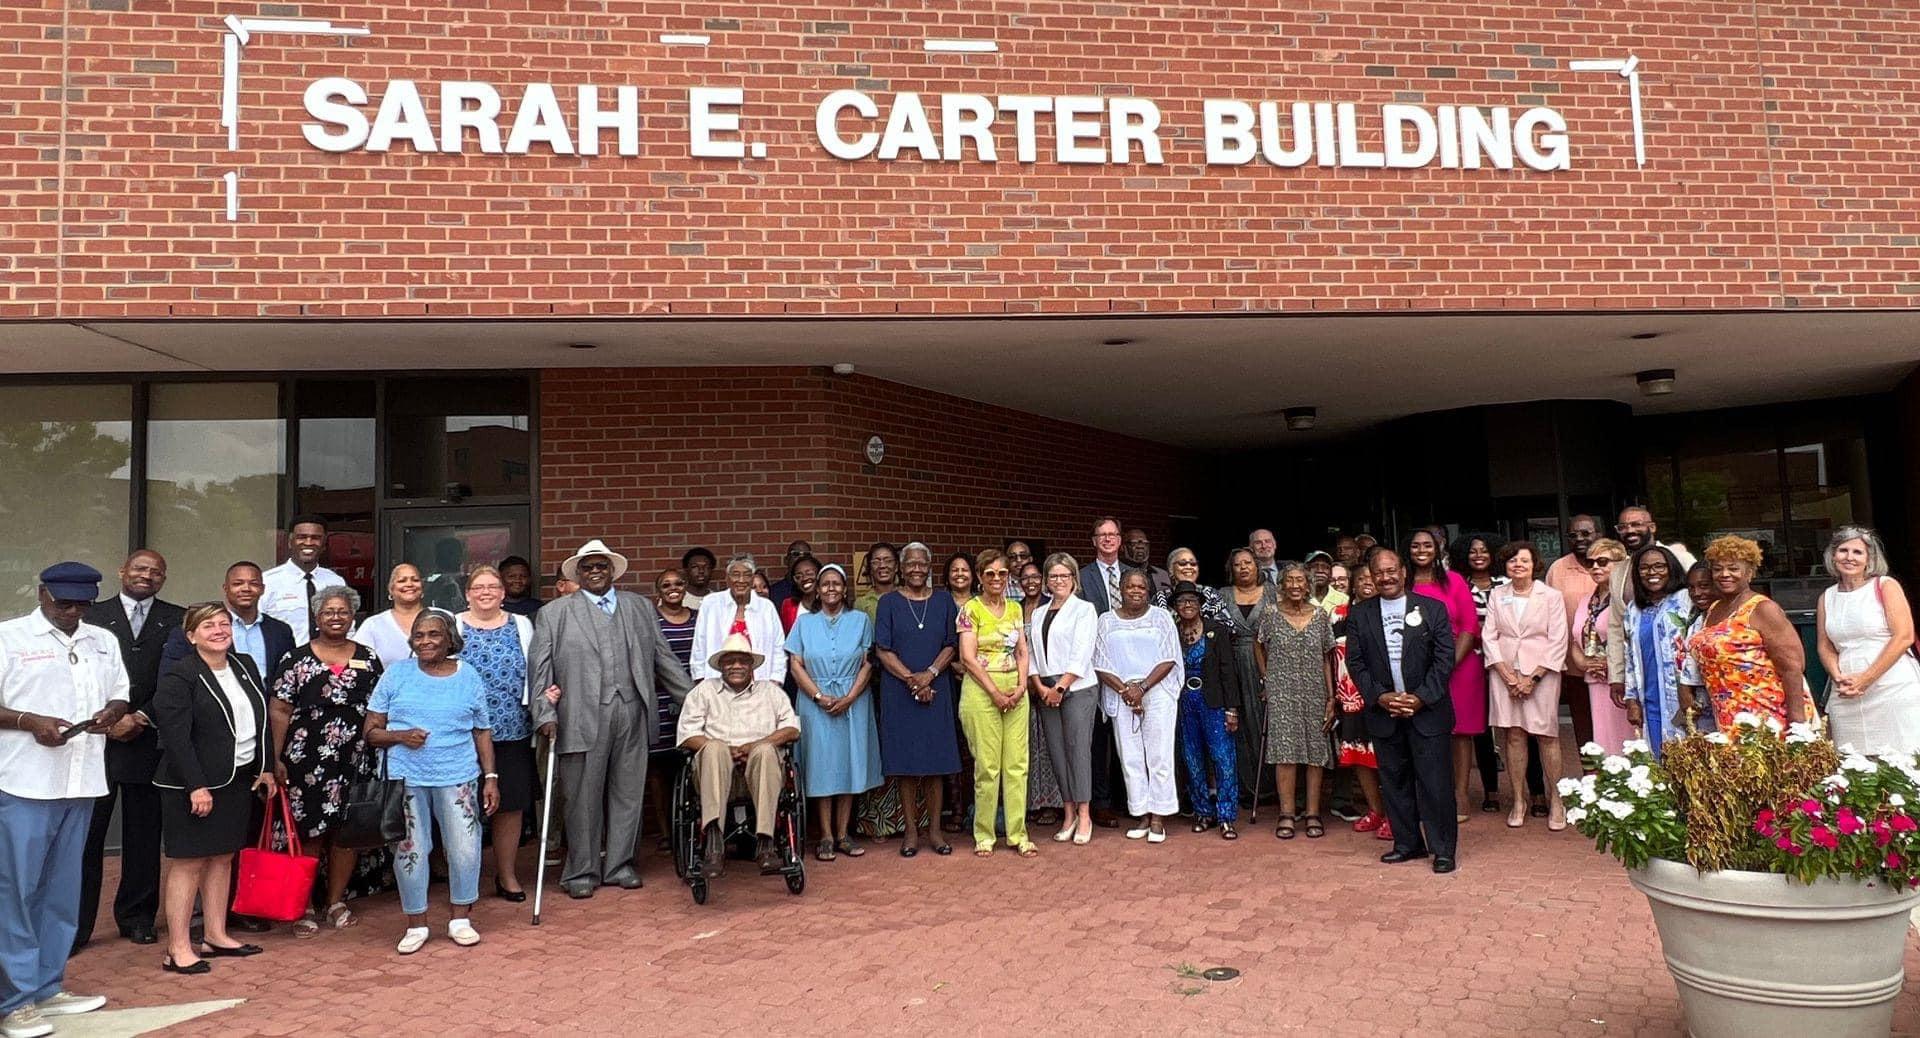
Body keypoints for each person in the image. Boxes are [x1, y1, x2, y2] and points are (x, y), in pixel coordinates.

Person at [0, 563, 127, 1037]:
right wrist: (30, 721)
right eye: (63, 603)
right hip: (23, 784)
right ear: (42, 594)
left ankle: (48, 986)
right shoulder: (9, 637)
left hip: (82, 780)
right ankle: (14, 1002)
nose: (72, 612)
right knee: (16, 894)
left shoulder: (102, 641)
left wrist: (110, 714)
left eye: (82, 604)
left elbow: (120, 695)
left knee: (60, 892)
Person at [528, 540, 694, 897]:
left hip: (632, 710)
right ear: (578, 574)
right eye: (587, 567)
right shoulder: (555, 614)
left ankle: (620, 865)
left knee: (628, 792)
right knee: (581, 797)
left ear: (613, 570)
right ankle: (581, 872)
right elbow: (539, 671)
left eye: (601, 566)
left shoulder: (639, 608)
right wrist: (544, 712)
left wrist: (698, 703)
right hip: (579, 715)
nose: (595, 572)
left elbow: (663, 660)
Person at [150, 603, 276, 974]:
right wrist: (196, 786)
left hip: (237, 779)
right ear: (191, 636)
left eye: (224, 624)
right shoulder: (180, 675)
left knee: (223, 858)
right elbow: (175, 737)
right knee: (188, 863)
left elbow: (263, 718)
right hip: (193, 785)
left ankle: (216, 934)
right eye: (209, 625)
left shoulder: (245, 666)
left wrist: (266, 768)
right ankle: (177, 947)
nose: (219, 630)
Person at [365, 613, 496, 955]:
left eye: (433, 634)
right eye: (418, 635)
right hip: (406, 777)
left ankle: (460, 918)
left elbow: (482, 730)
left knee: (465, 848)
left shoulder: (468, 676)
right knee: (410, 849)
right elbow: (371, 731)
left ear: (450, 638)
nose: (425, 641)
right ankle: (416, 923)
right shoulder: (396, 674)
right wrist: (400, 736)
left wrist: (491, 777)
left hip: (458, 774)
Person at [76, 549, 182, 951]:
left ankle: (137, 917)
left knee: (142, 837)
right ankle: (77, 925)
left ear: (164, 578)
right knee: (87, 838)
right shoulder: (89, 615)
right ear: (122, 571)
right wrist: (103, 719)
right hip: (94, 741)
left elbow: (175, 680)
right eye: (140, 568)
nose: (147, 575)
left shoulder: (176, 618)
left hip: (146, 740)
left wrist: (139, 717)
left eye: (156, 570)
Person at [269, 585, 383, 934]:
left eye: (343, 611)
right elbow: (280, 709)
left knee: (345, 833)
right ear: (316, 617)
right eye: (329, 611)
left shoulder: (367, 657)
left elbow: (380, 707)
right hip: (305, 760)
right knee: (308, 833)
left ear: (353, 617)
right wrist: (275, 758)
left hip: (354, 758)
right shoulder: (296, 658)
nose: (336, 617)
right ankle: (302, 905)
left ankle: (335, 901)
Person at [1345, 550, 1457, 873]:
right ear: (1371, 576)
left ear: (1404, 572)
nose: (1386, 577)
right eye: (1379, 573)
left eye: (1391, 570)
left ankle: (1443, 849)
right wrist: (1380, 697)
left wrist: (1420, 697)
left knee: (1435, 784)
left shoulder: (1432, 609)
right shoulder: (1360, 614)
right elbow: (1356, 663)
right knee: (1394, 782)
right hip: (1385, 712)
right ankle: (1408, 844)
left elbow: (1444, 659)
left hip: (1428, 712)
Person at [677, 634, 801, 877]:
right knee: (713, 749)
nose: (736, 666)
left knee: (766, 751)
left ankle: (766, 843)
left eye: (742, 661)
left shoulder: (771, 693)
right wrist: (725, 750)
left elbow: (791, 728)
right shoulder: (703, 692)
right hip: (713, 775)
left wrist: (755, 745)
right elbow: (686, 735)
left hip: (761, 775)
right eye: (730, 661)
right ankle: (714, 842)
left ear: (751, 666)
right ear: (721, 665)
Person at [455, 567, 540, 903]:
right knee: (463, 806)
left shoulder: (521, 624)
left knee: (511, 804)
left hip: (511, 729)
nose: (486, 592)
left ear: (504, 593)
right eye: (478, 587)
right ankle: (467, 878)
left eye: (493, 586)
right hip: (463, 732)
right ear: (467, 593)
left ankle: (506, 875)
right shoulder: (453, 624)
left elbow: (535, 668)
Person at [786, 564, 882, 860]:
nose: (830, 588)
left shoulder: (861, 620)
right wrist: (818, 696)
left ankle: (843, 834)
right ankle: (825, 835)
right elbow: (796, 665)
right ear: (817, 589)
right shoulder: (804, 624)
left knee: (849, 763)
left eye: (836, 584)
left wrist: (850, 697)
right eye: (825, 584)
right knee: (822, 766)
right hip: (815, 703)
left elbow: (868, 662)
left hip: (853, 700)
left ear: (844, 589)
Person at [872, 543, 959, 857]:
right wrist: (912, 680)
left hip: (937, 688)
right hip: (900, 691)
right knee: (906, 766)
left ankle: (934, 830)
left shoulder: (944, 600)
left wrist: (930, 674)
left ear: (929, 566)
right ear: (901, 567)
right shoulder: (889, 603)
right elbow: (882, 649)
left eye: (922, 563)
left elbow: (952, 644)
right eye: (910, 564)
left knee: (936, 764)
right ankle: (910, 831)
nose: (916, 569)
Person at [1481, 541, 1571, 830]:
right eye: (1512, 561)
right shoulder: (1497, 594)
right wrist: (1508, 676)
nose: (1518, 565)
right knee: (1514, 735)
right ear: (1505, 566)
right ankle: (1519, 799)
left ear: (1535, 565)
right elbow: (1489, 636)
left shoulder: (1551, 596)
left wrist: (1532, 678)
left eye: (1524, 561)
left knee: (1547, 735)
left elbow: (1559, 639)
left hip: (1542, 674)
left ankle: (1556, 798)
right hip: (1504, 672)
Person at [1684, 536, 1811, 731]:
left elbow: (1792, 668)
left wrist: (1797, 727)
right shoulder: (1715, 607)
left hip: (1768, 718)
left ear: (1749, 573)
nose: (1725, 574)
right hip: (1728, 717)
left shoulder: (1762, 608)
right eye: (1718, 569)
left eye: (1733, 568)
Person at [956, 550, 1035, 858]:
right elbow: (967, 658)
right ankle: (984, 834)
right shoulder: (970, 610)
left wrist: (1020, 686)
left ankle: (1018, 834)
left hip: (1014, 688)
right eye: (990, 574)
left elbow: (1022, 652)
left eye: (1002, 574)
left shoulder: (1015, 609)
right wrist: (995, 693)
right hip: (981, 690)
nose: (997, 579)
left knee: (1017, 765)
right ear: (979, 576)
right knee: (988, 766)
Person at [1093, 569, 1181, 844]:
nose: (1135, 591)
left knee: (1159, 755)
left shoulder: (1161, 617)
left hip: (1156, 692)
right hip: (1122, 694)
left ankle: (1159, 815)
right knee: (1130, 757)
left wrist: (1141, 688)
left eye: (1141, 587)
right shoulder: (1106, 621)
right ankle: (1141, 812)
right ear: (1120, 589)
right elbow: (1100, 661)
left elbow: (1169, 657)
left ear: (1148, 591)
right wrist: (1126, 690)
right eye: (1129, 586)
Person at [1817, 527, 1920, 756]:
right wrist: (1837, 675)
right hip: (1846, 691)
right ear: (1833, 556)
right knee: (1851, 761)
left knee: (1902, 758)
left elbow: (1904, 635)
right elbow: (1824, 645)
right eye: (1843, 550)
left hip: (1892, 687)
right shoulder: (1827, 597)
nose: (1849, 557)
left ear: (1869, 559)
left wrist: (1865, 679)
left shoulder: (1885, 585)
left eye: (1857, 552)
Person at [1406, 529, 1482, 829]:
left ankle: (1460, 794)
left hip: (1457, 666)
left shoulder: (1454, 581)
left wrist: (1445, 665)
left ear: (1438, 549)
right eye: (1415, 545)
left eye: (1428, 545)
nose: (1422, 550)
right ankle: (1427, 795)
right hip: (1414, 670)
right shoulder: (1403, 583)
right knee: (1422, 732)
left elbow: (1468, 626)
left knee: (1459, 732)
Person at [1256, 563, 1336, 840]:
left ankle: (1313, 813)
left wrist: (1331, 696)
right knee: (1285, 753)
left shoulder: (1320, 615)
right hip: (1282, 692)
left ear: (1308, 585)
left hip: (1314, 690)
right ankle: (1287, 813)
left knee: (1315, 754)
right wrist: (1267, 680)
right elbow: (1259, 644)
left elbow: (1327, 657)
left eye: (1300, 580)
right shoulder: (1270, 614)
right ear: (1281, 585)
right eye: (1289, 580)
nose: (1294, 585)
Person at [1028, 553, 1099, 844]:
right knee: (1057, 752)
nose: (1058, 581)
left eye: (1064, 576)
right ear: (1046, 581)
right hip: (1045, 689)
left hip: (1077, 688)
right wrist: (1040, 686)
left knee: (1077, 751)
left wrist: (1060, 687)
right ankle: (1068, 813)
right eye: (1053, 576)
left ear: (1074, 580)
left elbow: (1082, 652)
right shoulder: (1038, 613)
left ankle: (1084, 815)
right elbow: (1031, 653)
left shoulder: (1084, 610)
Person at [1606, 506, 1698, 711]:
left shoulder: (1680, 559)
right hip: (1643, 668)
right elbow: (1615, 628)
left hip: (1683, 670)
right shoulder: (1618, 572)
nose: (1629, 531)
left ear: (1652, 527)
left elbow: (1703, 605)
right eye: (1623, 527)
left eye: (1636, 524)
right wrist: (1617, 676)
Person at [1170, 582, 1242, 839]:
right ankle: (1202, 812)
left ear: (1200, 604)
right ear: (1175, 607)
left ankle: (1226, 817)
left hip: (1213, 702)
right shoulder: (1172, 632)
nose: (1187, 605)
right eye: (1181, 601)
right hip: (1184, 703)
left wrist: (1231, 709)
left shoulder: (1216, 631)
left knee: (1223, 759)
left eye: (1192, 600)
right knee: (1192, 758)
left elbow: (1228, 672)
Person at [1452, 532, 1514, 815]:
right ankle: (1490, 791)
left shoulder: (1507, 584)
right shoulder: (1459, 585)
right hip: (1474, 663)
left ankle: (1528, 792)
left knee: (1512, 729)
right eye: (1473, 551)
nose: (1478, 555)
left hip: (1508, 663)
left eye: (1484, 551)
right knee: (1480, 732)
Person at [1334, 564, 1390, 841]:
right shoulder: (1339, 615)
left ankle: (1395, 815)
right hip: (1350, 696)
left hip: (1382, 695)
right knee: (1359, 756)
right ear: (1352, 584)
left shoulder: (1388, 612)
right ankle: (1375, 810)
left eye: (1373, 577)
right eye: (1362, 579)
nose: (1368, 582)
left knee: (1386, 757)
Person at [1621, 545, 1693, 757]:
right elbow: (1630, 658)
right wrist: (1631, 699)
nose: (1652, 573)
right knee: (1659, 756)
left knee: (1690, 759)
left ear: (1671, 569)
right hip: (1650, 698)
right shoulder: (1634, 609)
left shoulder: (1687, 600)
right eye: (1644, 568)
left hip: (1685, 697)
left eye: (1659, 566)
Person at [1218, 546, 1272, 817]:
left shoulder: (1272, 593)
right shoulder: (1222, 595)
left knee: (1267, 722)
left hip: (1267, 660)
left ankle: (1271, 787)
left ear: (1257, 566)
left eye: (1248, 562)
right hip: (1232, 662)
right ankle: (1247, 787)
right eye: (1237, 564)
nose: (1243, 568)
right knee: (1237, 726)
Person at [647, 567, 698, 851]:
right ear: (659, 591)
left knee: (688, 764)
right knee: (657, 770)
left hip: (693, 699)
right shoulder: (651, 621)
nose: (673, 588)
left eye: (679, 583)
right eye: (666, 584)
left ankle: (690, 826)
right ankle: (667, 833)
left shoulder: (698, 619)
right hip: (658, 699)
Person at [1544, 515, 1601, 748]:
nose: (1579, 539)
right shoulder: (1557, 569)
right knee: (1584, 727)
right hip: (1574, 666)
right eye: (1573, 535)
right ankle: (1590, 778)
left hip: (1612, 667)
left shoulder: (1616, 563)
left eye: (1586, 533)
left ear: (1598, 533)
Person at [1576, 539, 1635, 754]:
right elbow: (1575, 638)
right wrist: (1583, 662)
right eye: (1590, 562)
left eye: (1602, 562)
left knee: (1626, 740)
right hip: (1595, 680)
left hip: (1621, 680)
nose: (1595, 567)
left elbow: (1631, 637)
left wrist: (1614, 666)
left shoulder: (1627, 598)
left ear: (1620, 564)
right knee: (1604, 739)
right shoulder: (1586, 600)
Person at [690, 554, 786, 684]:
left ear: (752, 579)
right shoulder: (711, 603)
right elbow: (699, 645)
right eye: (735, 574)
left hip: (759, 683)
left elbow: (778, 647)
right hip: (717, 683)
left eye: (747, 575)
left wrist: (775, 680)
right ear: (727, 579)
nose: (741, 580)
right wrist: (701, 680)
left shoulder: (766, 607)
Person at [1017, 562, 1062, 828]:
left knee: (1049, 746)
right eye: (1025, 577)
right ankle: (1032, 803)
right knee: (1027, 748)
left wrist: (1044, 684)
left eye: (1036, 577)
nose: (1031, 581)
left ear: (1043, 580)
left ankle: (1053, 804)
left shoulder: (1052, 606)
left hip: (1049, 685)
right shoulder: (1015, 607)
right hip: (1023, 685)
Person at [262, 514, 346, 646]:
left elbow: (347, 627)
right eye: (301, 537)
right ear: (290, 542)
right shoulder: (268, 582)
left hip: (328, 660)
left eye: (315, 538)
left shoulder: (336, 582)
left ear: (324, 544)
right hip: (284, 661)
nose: (308, 542)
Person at [355, 563, 436, 668]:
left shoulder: (442, 617)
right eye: (402, 580)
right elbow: (359, 662)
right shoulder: (373, 625)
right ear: (391, 589)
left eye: (415, 580)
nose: (409, 584)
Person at [1153, 548, 1227, 621]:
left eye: (1193, 564)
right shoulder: (1161, 597)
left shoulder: (1210, 594)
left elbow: (1226, 626)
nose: (1189, 567)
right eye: (1182, 564)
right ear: (1171, 569)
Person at [1078, 518, 1131, 614]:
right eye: (1102, 535)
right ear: (1094, 541)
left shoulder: (1133, 573)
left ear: (1119, 540)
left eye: (1112, 535)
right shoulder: (1082, 577)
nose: (1107, 539)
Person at [766, 540, 814, 615]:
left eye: (806, 555)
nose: (801, 558)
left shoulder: (818, 591)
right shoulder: (773, 593)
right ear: (786, 560)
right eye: (796, 554)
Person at [776, 555, 820, 634]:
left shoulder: (829, 603)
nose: (804, 578)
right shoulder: (788, 605)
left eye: (809, 573)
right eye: (798, 576)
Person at [1123, 528, 1172, 598]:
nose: (1140, 547)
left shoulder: (1162, 575)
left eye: (1145, 543)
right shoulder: (1118, 572)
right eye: (1134, 543)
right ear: (1123, 547)